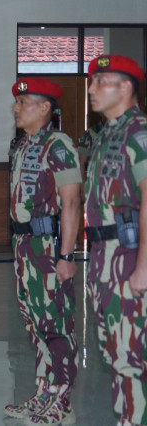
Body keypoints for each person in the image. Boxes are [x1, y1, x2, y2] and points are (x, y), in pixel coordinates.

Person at [5, 77, 80, 424]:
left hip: (48, 246)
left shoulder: (58, 144)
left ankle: (62, 401)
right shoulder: (22, 145)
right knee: (34, 322)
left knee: (55, 324)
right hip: (24, 246)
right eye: (17, 103)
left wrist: (66, 257)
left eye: (24, 102)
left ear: (45, 107)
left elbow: (70, 203)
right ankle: (43, 392)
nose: (17, 108)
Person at [85, 54, 147, 426]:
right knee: (116, 354)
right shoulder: (108, 133)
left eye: (100, 81)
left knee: (130, 357)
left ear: (125, 87)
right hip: (104, 258)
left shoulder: (139, 132)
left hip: (128, 256)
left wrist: (143, 268)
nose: (91, 89)